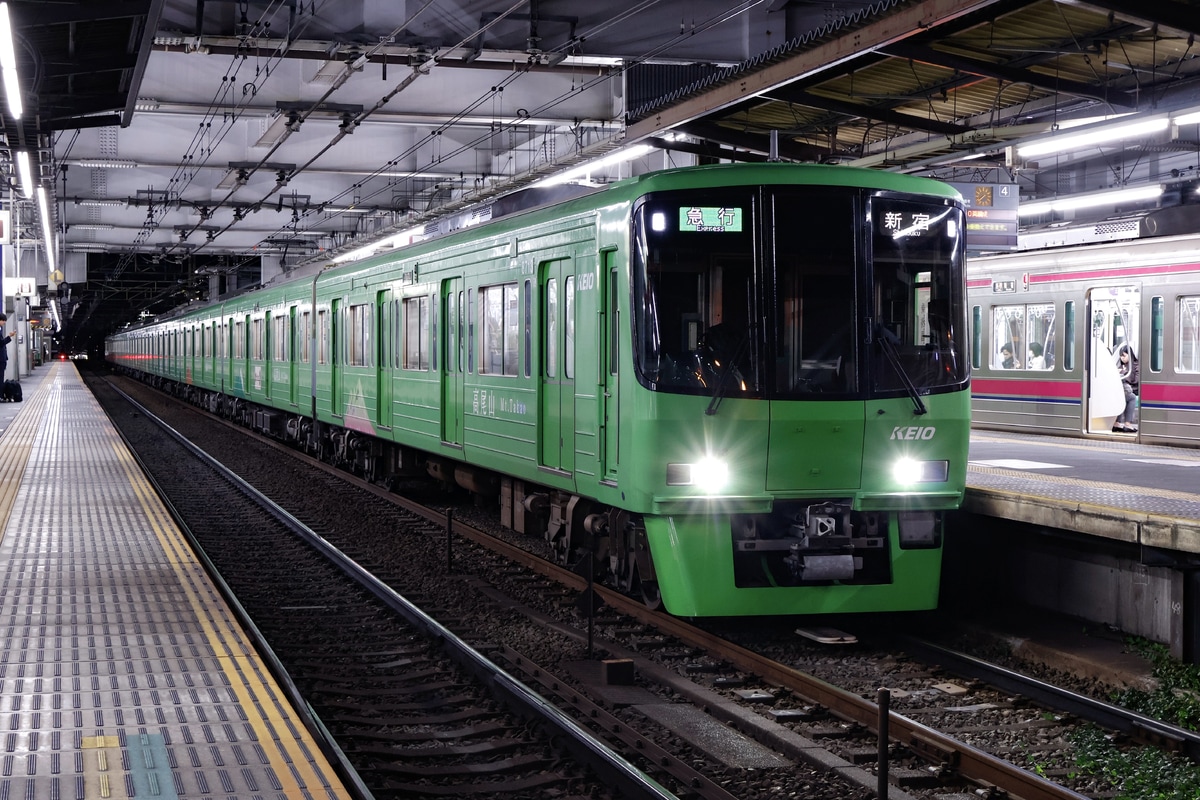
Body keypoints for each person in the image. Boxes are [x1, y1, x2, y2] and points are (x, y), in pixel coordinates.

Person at [1114, 343, 1139, 432]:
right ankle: (1126, 423)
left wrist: (1124, 373)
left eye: (1124, 355)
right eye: (1120, 356)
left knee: (1127, 397)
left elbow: (1136, 380)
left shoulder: (1136, 365)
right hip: (1123, 389)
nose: (1122, 358)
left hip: (1133, 389)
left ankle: (1117, 422)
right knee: (1124, 396)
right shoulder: (1121, 366)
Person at [0, 313, 10, 382]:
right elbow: (1, 343)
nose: (4, 322)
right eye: (3, 320)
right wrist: (9, 337)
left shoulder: (0, 329)